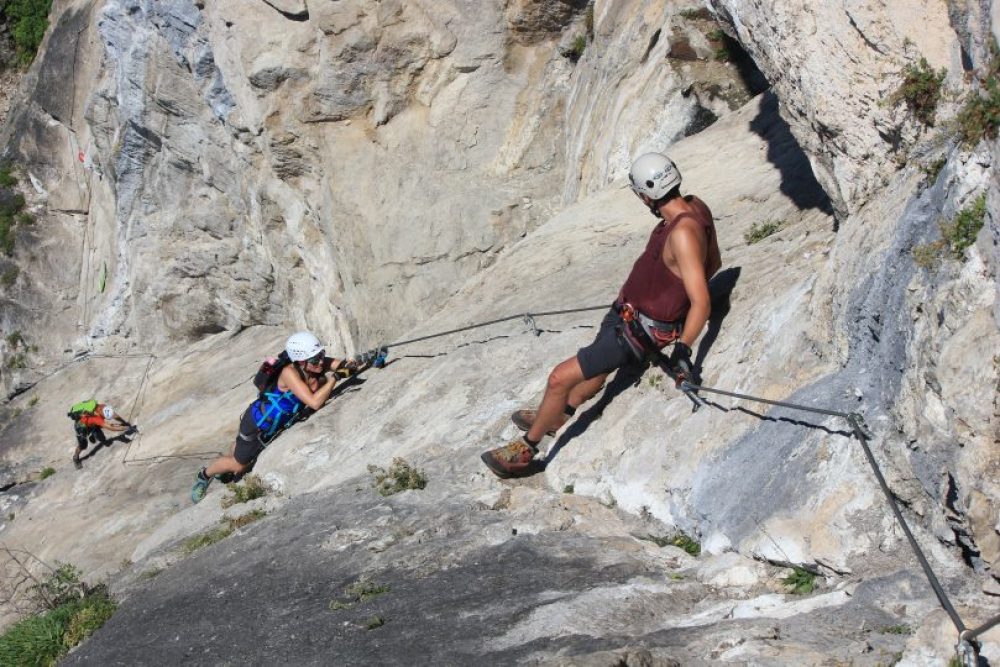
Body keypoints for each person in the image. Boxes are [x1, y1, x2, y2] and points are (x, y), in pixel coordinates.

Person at [481, 152, 722, 478]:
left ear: (643, 194)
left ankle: (526, 448)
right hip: (629, 317)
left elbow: (701, 300)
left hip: (637, 331)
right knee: (594, 368)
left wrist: (682, 348)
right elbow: (715, 264)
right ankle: (556, 417)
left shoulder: (681, 233)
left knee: (559, 378)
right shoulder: (696, 206)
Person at [190, 331, 364, 503]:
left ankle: (230, 461)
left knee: (241, 449)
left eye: (321, 354)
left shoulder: (314, 363)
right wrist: (336, 377)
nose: (320, 360)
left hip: (271, 422)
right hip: (258, 424)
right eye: (314, 358)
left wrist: (360, 362)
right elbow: (314, 403)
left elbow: (343, 365)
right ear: (301, 361)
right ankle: (205, 475)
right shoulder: (289, 373)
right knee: (239, 465)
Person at [69, 401, 135, 469]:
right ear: (101, 412)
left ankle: (93, 434)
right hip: (81, 427)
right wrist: (126, 427)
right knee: (83, 445)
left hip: (91, 423)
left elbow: (115, 415)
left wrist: (124, 422)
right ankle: (75, 458)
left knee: (102, 438)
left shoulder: (103, 407)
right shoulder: (96, 418)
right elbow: (111, 428)